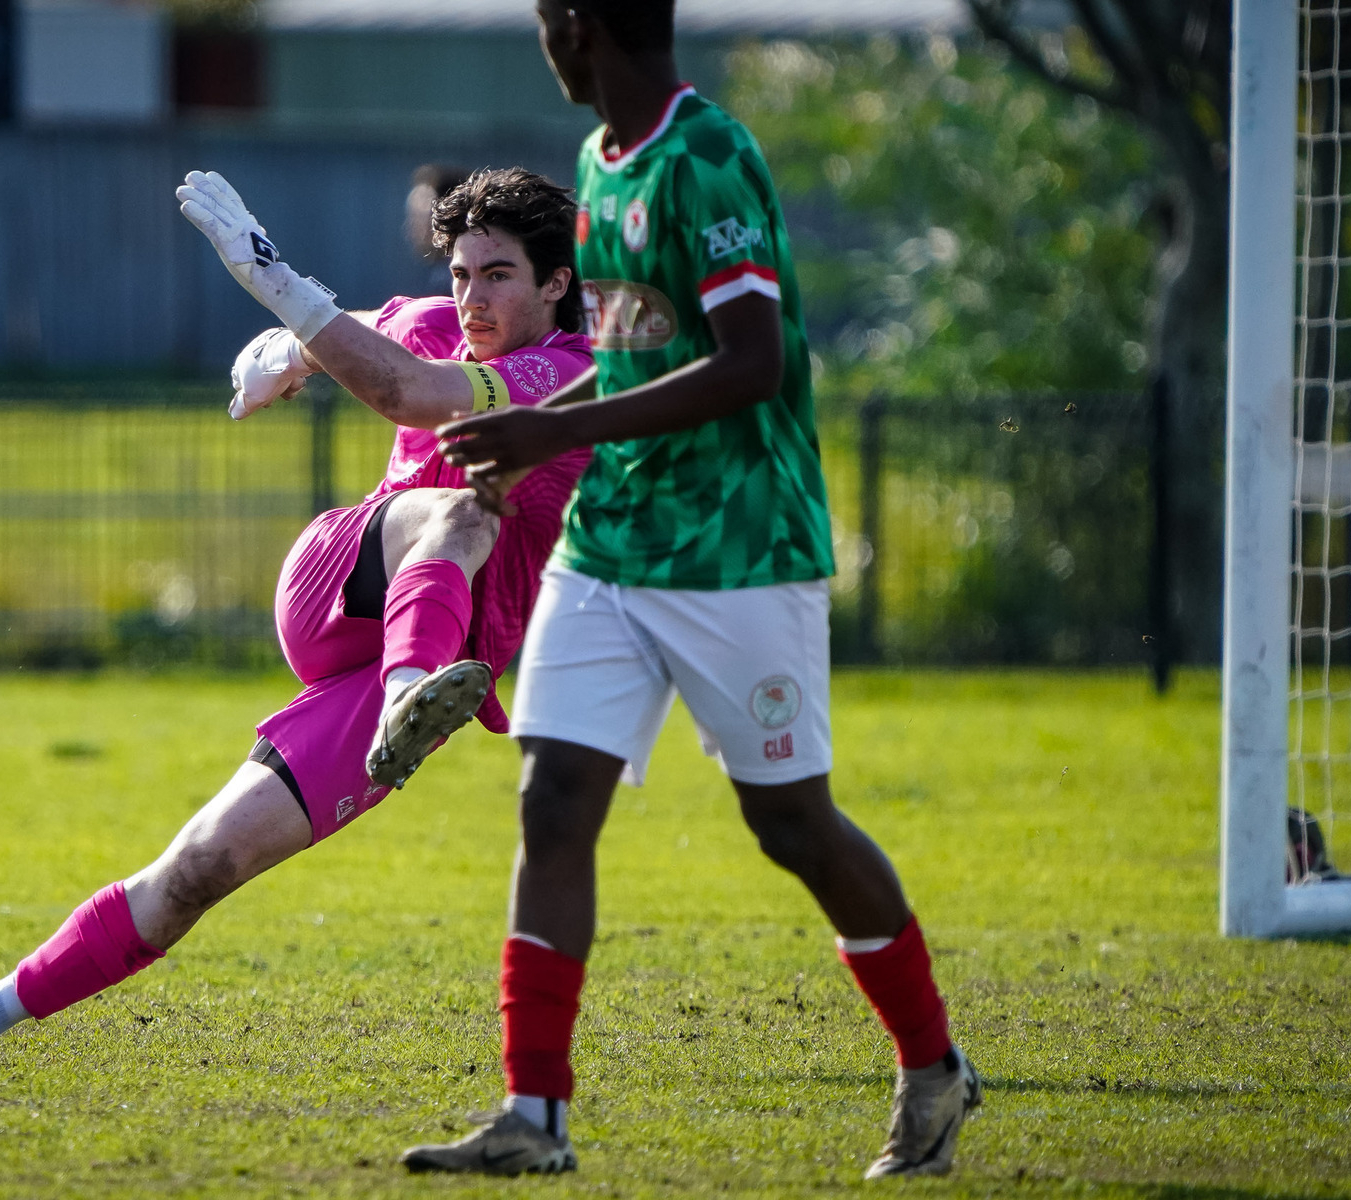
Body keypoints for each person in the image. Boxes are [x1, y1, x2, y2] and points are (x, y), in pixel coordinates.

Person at [0, 166, 593, 1069]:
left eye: (497, 275)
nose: (469, 297)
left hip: (433, 654)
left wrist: (274, 286)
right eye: (460, 272)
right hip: (341, 592)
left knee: (198, 869)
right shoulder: (433, 322)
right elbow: (359, 338)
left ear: (555, 284)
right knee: (467, 506)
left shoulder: (573, 371)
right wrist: (285, 354)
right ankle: (405, 693)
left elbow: (409, 392)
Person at [398, 0, 979, 1180]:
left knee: (791, 824)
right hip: (614, 542)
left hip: (739, 549)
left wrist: (558, 421)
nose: (542, 38)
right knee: (553, 797)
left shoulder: (708, 156)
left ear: (582, 22)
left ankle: (933, 1066)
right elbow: (628, 355)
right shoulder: (599, 165)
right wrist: (534, 429)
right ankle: (534, 1116)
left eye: (545, 17)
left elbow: (749, 363)